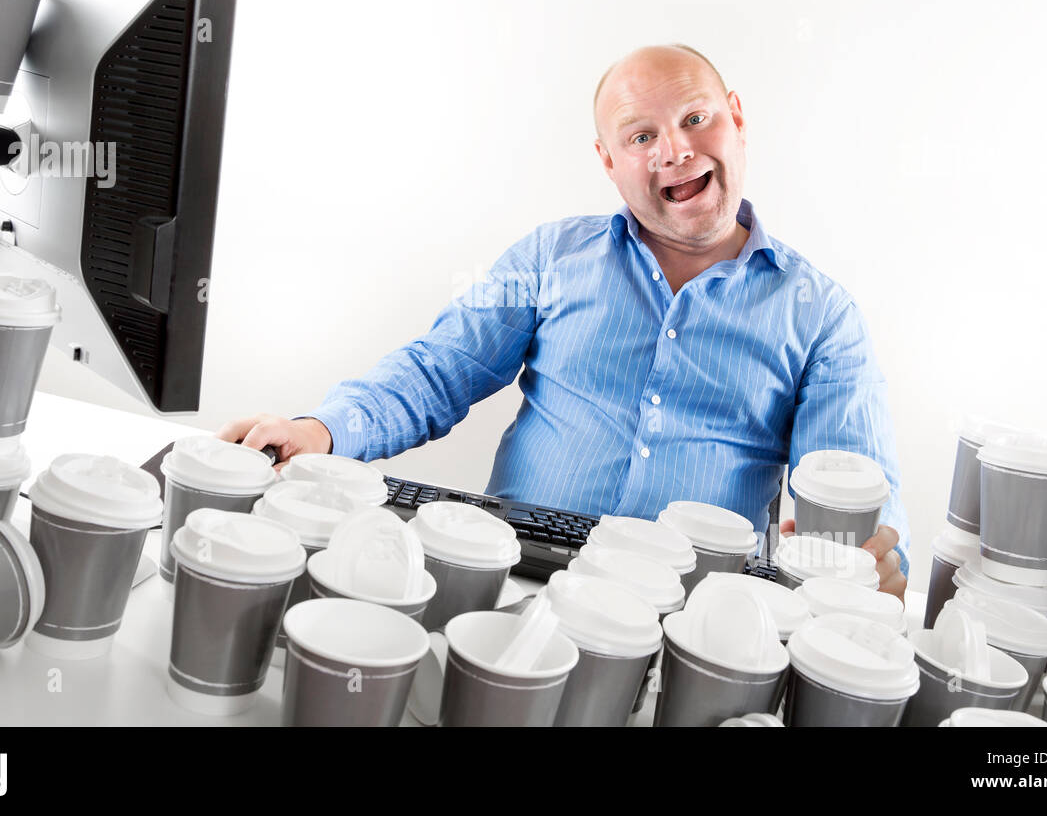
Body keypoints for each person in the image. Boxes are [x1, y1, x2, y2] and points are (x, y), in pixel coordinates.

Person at [219, 43, 909, 599]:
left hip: (700, 613)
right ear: (609, 161)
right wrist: (321, 429)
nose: (675, 149)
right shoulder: (550, 257)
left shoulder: (824, 316)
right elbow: (436, 372)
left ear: (736, 117)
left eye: (696, 119)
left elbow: (852, 497)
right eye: (642, 135)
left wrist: (874, 559)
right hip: (511, 580)